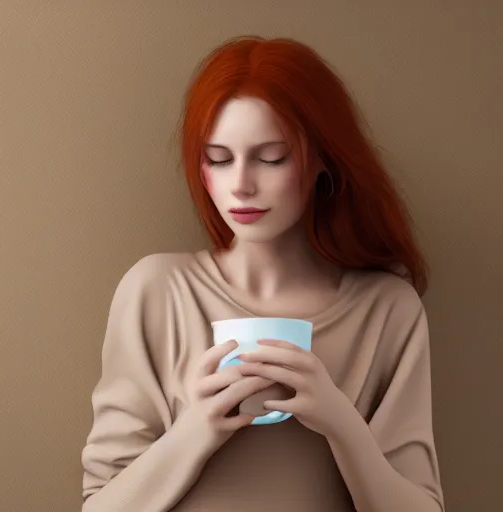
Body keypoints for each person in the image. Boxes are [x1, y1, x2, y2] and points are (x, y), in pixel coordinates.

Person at [81, 36, 444, 511]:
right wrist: (197, 429)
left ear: (321, 159)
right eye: (218, 159)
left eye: (271, 158)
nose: (242, 185)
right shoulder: (157, 292)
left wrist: (340, 422)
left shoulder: (388, 310)